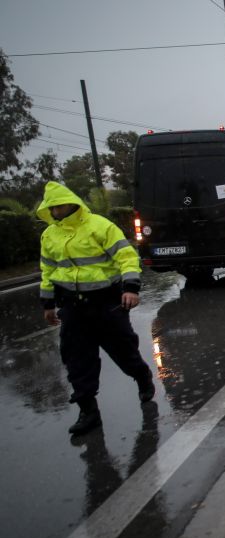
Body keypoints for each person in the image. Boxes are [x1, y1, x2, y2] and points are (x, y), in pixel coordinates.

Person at [37, 181, 156, 435]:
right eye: (52, 208)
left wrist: (131, 288)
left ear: (72, 203)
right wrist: (48, 303)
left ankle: (142, 376)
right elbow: (48, 271)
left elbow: (126, 257)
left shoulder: (100, 226)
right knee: (77, 359)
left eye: (59, 206)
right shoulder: (49, 235)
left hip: (107, 303)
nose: (56, 212)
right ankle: (88, 411)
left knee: (124, 350)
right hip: (72, 307)